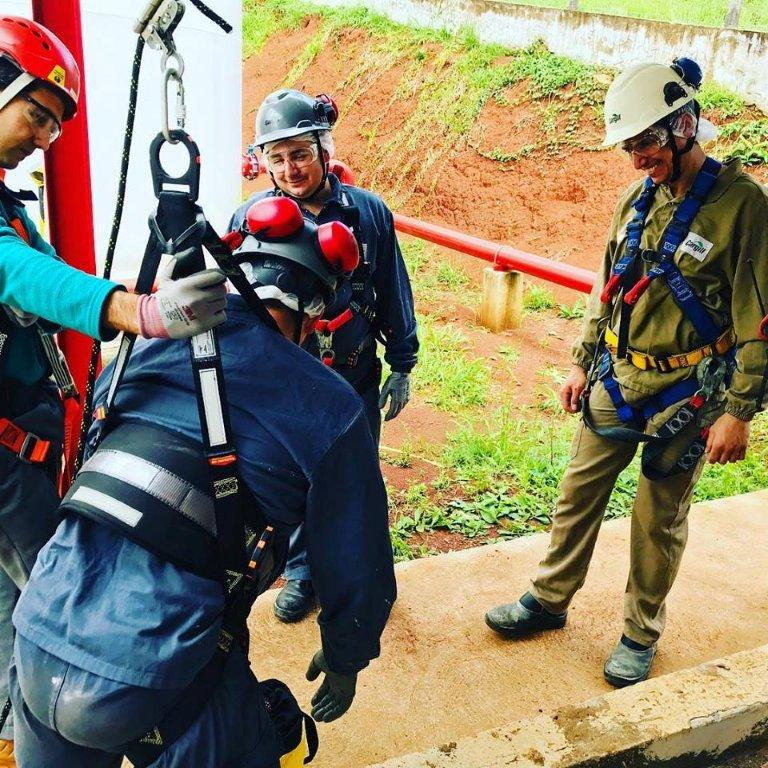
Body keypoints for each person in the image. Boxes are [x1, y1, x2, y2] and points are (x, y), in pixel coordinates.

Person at [9, 196, 397, 768]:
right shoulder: (325, 403)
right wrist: (347, 655)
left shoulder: (141, 353)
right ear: (314, 314)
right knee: (271, 735)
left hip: (37, 640)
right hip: (151, 682)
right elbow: (355, 555)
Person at [485, 58, 768, 687]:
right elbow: (606, 289)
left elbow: (758, 318)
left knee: (658, 518)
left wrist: (738, 412)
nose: (637, 159)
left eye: (645, 143)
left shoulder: (742, 207)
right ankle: (549, 599)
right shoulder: (636, 200)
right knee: (577, 492)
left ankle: (640, 633)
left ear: (684, 125)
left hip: (690, 394)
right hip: (618, 379)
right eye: (630, 147)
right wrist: (584, 364)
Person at [0, 16, 228, 765]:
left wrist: (128, 292)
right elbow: (17, 273)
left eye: (55, 127)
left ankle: (13, 726)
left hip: (19, 435)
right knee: (64, 602)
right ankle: (65, 734)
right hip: (7, 457)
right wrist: (134, 310)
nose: (44, 137)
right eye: (38, 114)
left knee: (13, 599)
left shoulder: (7, 201)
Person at [229, 89, 418, 622]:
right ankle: (304, 572)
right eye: (277, 157)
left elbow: (392, 288)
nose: (290, 169)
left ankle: (364, 574)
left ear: (324, 149)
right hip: (289, 381)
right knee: (293, 481)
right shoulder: (250, 219)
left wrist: (402, 362)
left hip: (353, 375)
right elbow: (241, 306)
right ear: (262, 161)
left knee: (358, 481)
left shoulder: (368, 213)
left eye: (300, 154)